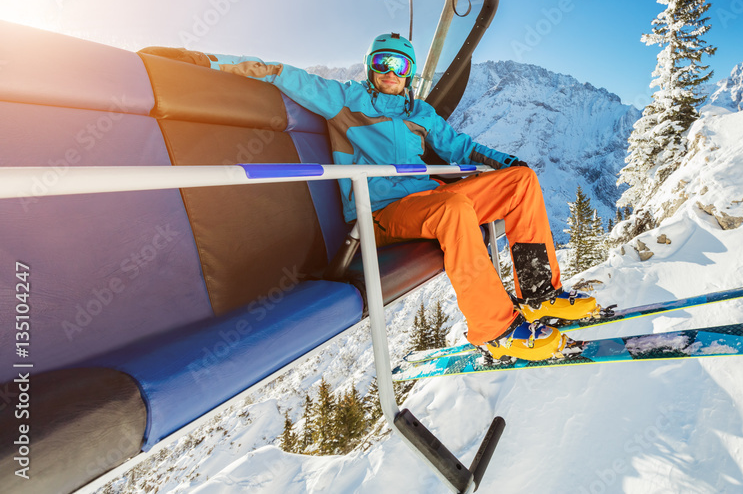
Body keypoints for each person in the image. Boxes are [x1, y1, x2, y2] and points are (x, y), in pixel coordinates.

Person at [142, 34, 600, 361]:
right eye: (382, 64)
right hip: (380, 213)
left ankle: (539, 293)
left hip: (428, 203)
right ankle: (494, 329)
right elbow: (277, 72)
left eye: (399, 66)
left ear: (411, 73)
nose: (389, 74)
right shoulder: (344, 100)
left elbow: (460, 148)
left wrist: (507, 161)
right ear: (370, 69)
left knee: (521, 182)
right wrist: (197, 60)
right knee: (454, 206)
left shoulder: (421, 113)